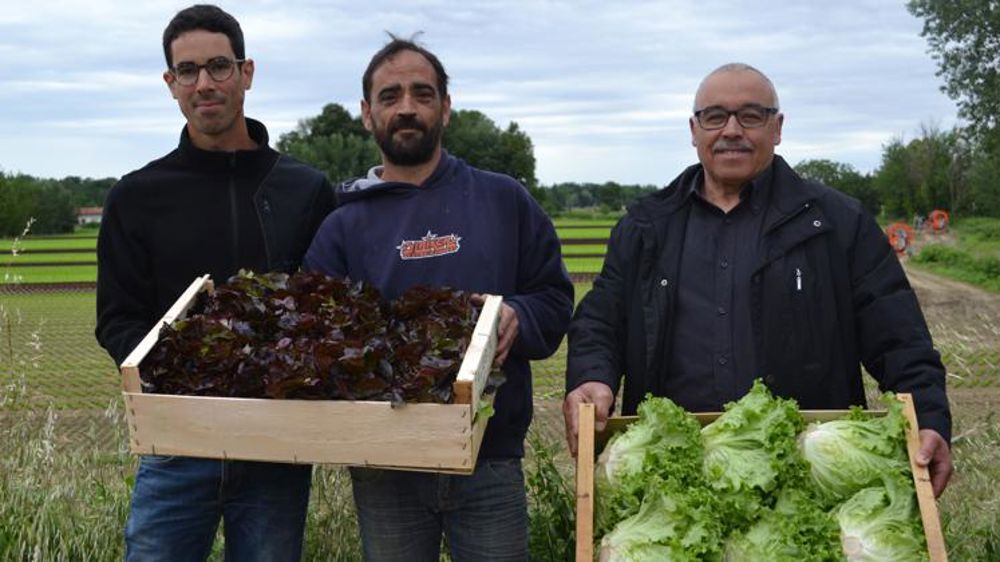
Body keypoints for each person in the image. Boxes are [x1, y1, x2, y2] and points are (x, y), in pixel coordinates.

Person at [563, 63, 953, 497]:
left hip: (804, 474)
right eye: (715, 117)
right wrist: (591, 376)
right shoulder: (646, 226)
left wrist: (929, 417)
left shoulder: (837, 223)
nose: (731, 130)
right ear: (694, 130)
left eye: (750, 116)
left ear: (778, 127)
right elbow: (602, 319)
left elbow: (899, 337)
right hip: (672, 472)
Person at [304, 36, 574, 561]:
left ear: (446, 108)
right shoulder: (343, 225)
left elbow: (554, 296)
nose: (406, 107)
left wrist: (520, 314)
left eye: (422, 94)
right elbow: (315, 334)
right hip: (385, 463)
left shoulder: (503, 200)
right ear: (366, 113)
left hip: (489, 458)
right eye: (390, 96)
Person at [95, 5, 335, 560]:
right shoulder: (136, 196)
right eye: (188, 70)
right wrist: (184, 384)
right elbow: (117, 319)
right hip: (177, 443)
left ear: (246, 73)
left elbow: (327, 308)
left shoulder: (305, 189)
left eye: (219, 66)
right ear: (170, 83)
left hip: (277, 444)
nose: (204, 83)